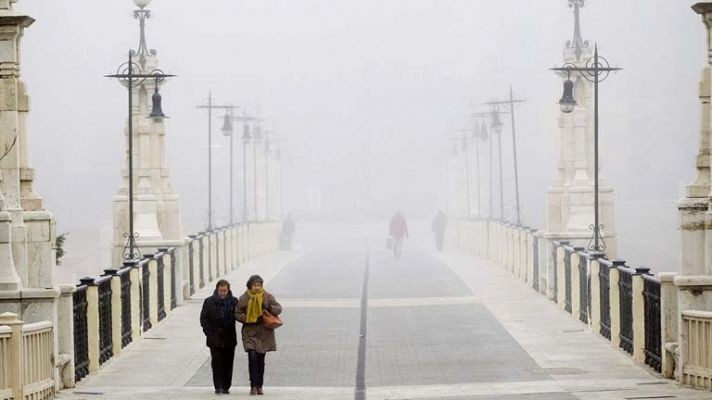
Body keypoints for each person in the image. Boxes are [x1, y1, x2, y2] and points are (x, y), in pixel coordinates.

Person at [235, 275, 282, 396]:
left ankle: (260, 385)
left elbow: (279, 308)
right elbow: (237, 313)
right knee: (252, 358)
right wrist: (248, 318)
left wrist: (270, 307)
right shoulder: (244, 298)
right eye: (255, 285)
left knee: (260, 360)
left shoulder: (267, 296)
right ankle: (253, 386)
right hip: (249, 332)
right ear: (250, 285)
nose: (257, 287)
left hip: (264, 333)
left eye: (259, 285)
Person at [200, 279, 238, 395]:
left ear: (228, 290)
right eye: (221, 290)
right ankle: (218, 386)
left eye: (225, 291)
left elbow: (240, 314)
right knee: (217, 361)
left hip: (229, 338)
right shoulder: (209, 302)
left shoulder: (234, 301)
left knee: (228, 362)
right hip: (214, 338)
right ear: (217, 290)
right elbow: (204, 319)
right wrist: (209, 333)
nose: (223, 293)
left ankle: (226, 386)